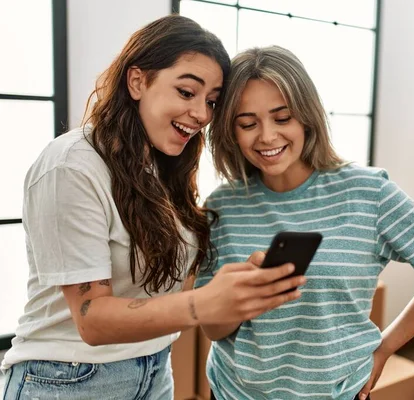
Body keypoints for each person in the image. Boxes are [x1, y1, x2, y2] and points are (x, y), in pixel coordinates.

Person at [1, 17, 304, 400]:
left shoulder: (162, 166)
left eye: (211, 101)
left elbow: (155, 285)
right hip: (67, 377)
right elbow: (91, 319)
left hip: (154, 368)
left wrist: (240, 282)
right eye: (186, 91)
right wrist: (208, 301)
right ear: (137, 81)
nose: (202, 114)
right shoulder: (72, 165)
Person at [195, 45, 414, 400]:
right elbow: (213, 330)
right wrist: (241, 295)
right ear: (231, 131)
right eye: (248, 124)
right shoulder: (222, 208)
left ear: (307, 116)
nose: (266, 136)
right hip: (236, 392)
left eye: (283, 118)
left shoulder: (368, 193)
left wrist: (385, 348)